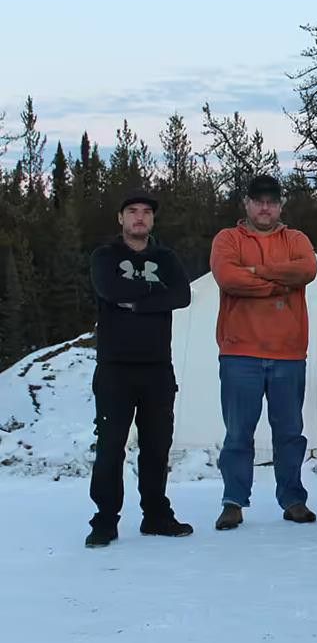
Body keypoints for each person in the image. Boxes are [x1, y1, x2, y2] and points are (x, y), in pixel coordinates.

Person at [210, 175, 317, 530]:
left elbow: (307, 269)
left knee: (289, 433)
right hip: (239, 352)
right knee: (238, 433)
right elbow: (229, 278)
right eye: (259, 201)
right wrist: (278, 284)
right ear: (247, 203)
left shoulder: (296, 239)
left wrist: (256, 272)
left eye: (272, 201)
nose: (265, 207)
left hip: (289, 353)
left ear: (281, 205)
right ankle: (233, 501)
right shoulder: (228, 239)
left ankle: (293, 499)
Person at [85, 192, 192, 548]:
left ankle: (156, 515)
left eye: (146, 212)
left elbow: (181, 296)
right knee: (111, 446)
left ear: (153, 220)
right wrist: (154, 292)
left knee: (157, 445)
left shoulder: (166, 258)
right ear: (121, 218)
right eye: (132, 211)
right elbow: (109, 288)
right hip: (115, 368)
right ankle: (105, 520)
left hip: (157, 367)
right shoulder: (106, 256)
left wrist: (135, 302)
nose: (139, 217)